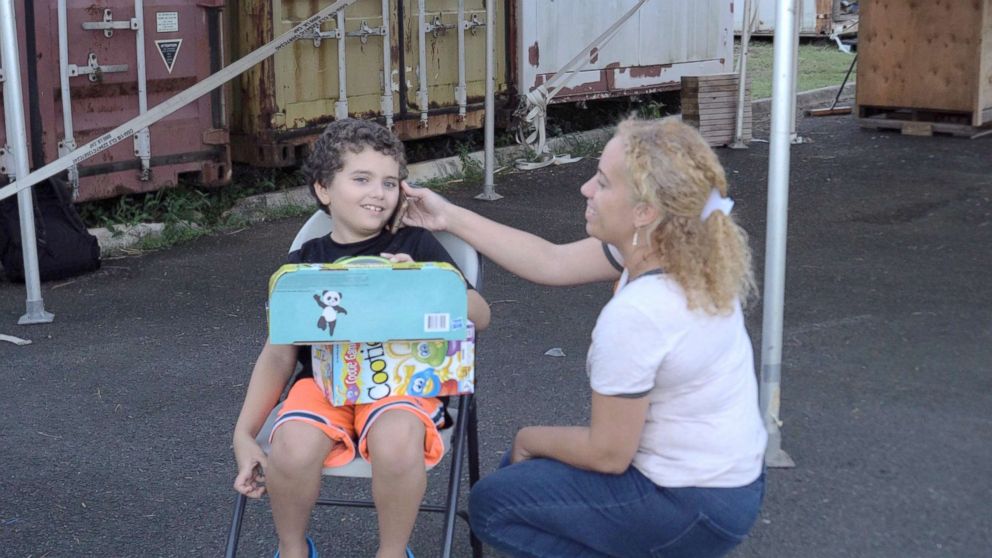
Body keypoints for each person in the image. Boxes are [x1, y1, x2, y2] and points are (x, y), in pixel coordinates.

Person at [400, 116, 767, 558]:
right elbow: (550, 261)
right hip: (727, 483)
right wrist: (448, 214)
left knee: (494, 505)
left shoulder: (641, 313)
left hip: (690, 502)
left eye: (602, 182)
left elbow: (609, 453)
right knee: (514, 482)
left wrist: (527, 438)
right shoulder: (675, 248)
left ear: (644, 210)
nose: (585, 190)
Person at [232, 119, 491, 558]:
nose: (379, 192)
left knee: (396, 440)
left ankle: (392, 552)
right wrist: (244, 434)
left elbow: (479, 316)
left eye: (390, 182)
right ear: (323, 190)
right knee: (290, 445)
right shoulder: (305, 263)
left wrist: (423, 281)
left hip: (401, 382)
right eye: (362, 179)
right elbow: (278, 355)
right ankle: (292, 549)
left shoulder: (417, 244)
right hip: (322, 386)